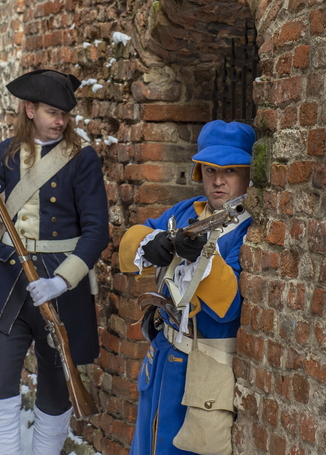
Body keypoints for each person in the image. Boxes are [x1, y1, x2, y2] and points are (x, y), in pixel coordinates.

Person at [0, 69, 109, 455]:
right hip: (10, 282)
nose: (60, 121)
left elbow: (96, 231)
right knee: (0, 383)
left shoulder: (82, 160)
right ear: (29, 109)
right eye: (52, 112)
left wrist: (63, 280)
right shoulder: (6, 154)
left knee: (57, 390)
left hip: (60, 287)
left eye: (64, 115)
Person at [118, 120, 256, 455]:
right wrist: (153, 241)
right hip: (164, 353)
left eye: (231, 171)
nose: (218, 180)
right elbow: (130, 244)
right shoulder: (185, 211)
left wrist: (202, 261)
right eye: (210, 170)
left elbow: (228, 308)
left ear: (248, 174)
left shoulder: (248, 227)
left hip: (205, 366)